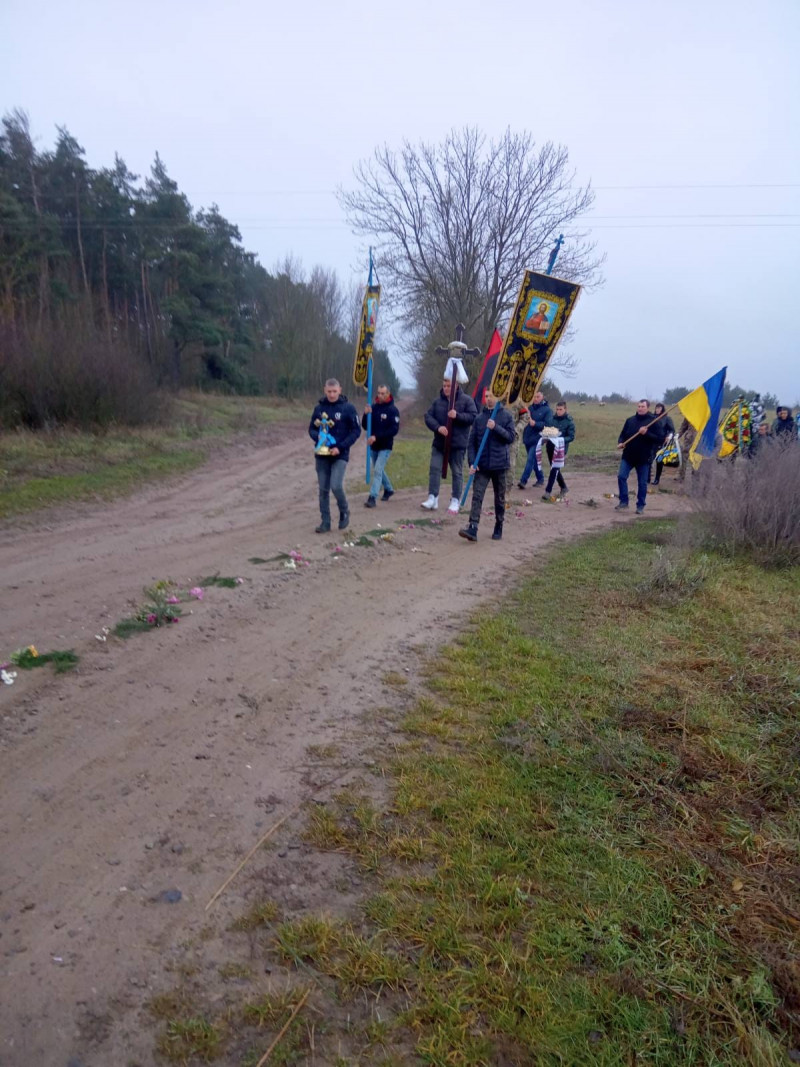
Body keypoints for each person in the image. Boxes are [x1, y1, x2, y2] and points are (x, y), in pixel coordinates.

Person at [459, 389, 515, 542]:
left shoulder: (506, 416)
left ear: (498, 398)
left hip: (499, 465)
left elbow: (510, 437)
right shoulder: (479, 419)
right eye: (486, 396)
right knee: (477, 496)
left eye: (492, 396)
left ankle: (499, 524)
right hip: (482, 465)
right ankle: (473, 527)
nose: (489, 399)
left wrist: (495, 427)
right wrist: (472, 462)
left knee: (499, 498)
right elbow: (471, 444)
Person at [308, 378, 361, 533]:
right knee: (323, 489)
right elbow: (311, 428)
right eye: (329, 391)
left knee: (336, 485)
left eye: (334, 391)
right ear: (325, 390)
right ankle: (325, 522)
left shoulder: (348, 408)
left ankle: (344, 511)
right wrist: (316, 436)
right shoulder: (319, 409)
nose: (331, 394)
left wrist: (341, 447)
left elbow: (356, 431)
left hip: (340, 454)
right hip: (322, 455)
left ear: (340, 390)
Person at [421, 374, 477, 514]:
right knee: (434, 468)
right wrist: (438, 427)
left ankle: (455, 500)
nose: (446, 389)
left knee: (457, 472)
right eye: (444, 386)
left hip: (458, 444)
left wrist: (457, 415)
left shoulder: (466, 400)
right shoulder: (437, 402)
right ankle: (433, 497)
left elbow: (473, 417)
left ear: (456, 386)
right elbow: (428, 417)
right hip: (440, 443)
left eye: (449, 386)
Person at [615, 399, 661, 514]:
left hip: (643, 458)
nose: (640, 408)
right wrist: (621, 442)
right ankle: (624, 501)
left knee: (642, 483)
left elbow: (659, 439)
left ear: (648, 408)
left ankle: (640, 506)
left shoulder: (653, 422)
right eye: (639, 406)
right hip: (628, 456)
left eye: (643, 406)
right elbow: (623, 435)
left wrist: (647, 433)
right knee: (621, 476)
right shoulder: (630, 420)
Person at [361, 384, 400, 507]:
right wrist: (365, 414)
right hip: (374, 446)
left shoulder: (393, 410)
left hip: (385, 446)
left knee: (377, 470)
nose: (380, 395)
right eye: (379, 393)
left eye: (383, 393)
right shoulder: (374, 408)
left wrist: (376, 436)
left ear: (388, 394)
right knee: (379, 470)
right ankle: (388, 489)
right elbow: (365, 426)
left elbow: (394, 430)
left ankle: (372, 497)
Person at [518, 390, 552, 489]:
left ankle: (523, 481)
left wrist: (535, 424)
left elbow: (548, 425)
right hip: (527, 437)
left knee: (530, 459)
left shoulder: (547, 410)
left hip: (538, 438)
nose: (535, 399)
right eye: (534, 397)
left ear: (542, 397)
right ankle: (540, 478)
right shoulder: (529, 408)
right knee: (534, 460)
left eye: (538, 397)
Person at [537, 426, 568, 501]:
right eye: (557, 412)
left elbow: (571, 437)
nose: (559, 412)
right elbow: (548, 431)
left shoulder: (569, 421)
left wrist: (561, 439)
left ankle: (548, 491)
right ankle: (564, 487)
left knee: (554, 469)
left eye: (561, 412)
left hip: (561, 447)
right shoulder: (553, 419)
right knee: (555, 469)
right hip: (550, 448)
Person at [649, 402, 675, 485]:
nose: (657, 410)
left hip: (661, 442)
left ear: (662, 409)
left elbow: (671, 430)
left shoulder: (667, 419)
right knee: (648, 459)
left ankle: (657, 479)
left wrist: (669, 436)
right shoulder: (652, 418)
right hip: (651, 441)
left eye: (659, 408)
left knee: (659, 461)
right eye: (656, 408)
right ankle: (647, 478)